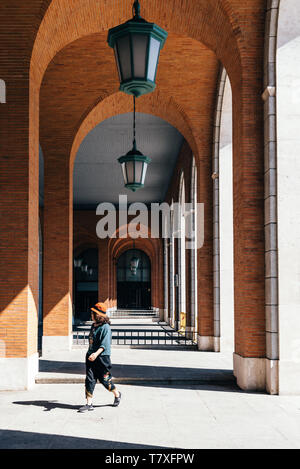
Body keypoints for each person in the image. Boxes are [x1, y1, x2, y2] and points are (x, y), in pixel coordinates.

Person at [78, 302, 121, 412]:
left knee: (104, 379)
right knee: (89, 379)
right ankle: (89, 403)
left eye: (92, 313)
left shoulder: (106, 327)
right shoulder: (93, 325)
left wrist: (96, 354)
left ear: (97, 315)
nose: (91, 315)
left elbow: (105, 345)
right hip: (90, 356)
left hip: (102, 357)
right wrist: (91, 353)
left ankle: (117, 394)